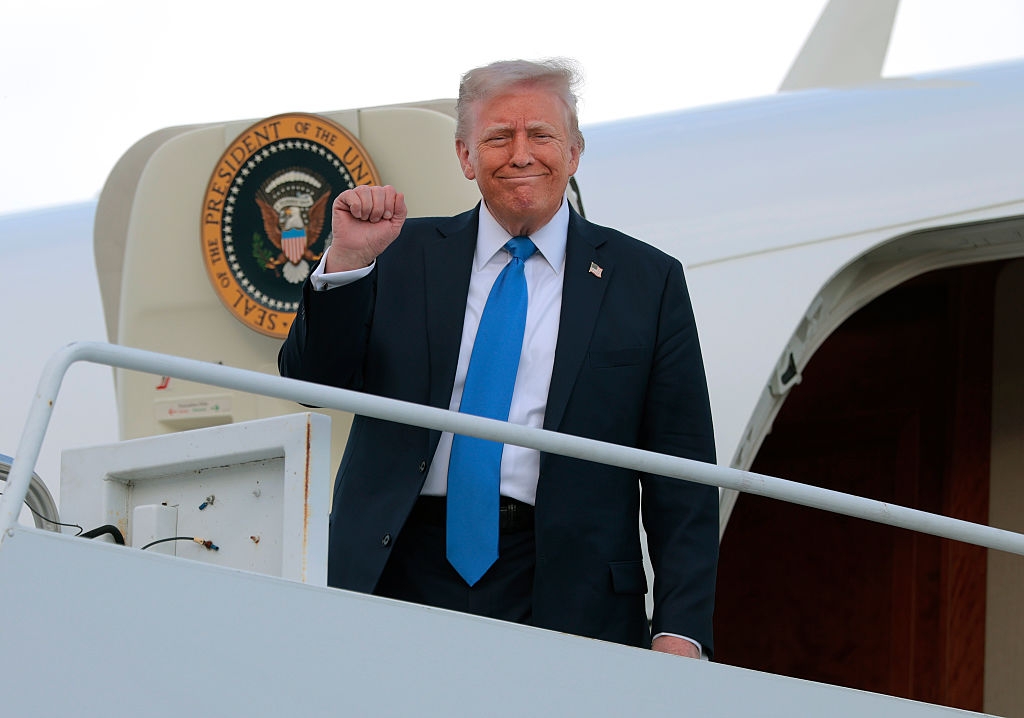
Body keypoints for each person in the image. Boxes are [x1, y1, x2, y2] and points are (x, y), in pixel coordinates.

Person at [278, 58, 718, 659]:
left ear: (575, 151)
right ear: (465, 157)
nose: (521, 153)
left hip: (566, 585)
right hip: (397, 567)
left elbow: (682, 471)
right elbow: (313, 382)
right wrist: (348, 263)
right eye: (497, 137)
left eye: (541, 134)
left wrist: (680, 626)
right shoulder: (398, 256)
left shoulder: (647, 281)